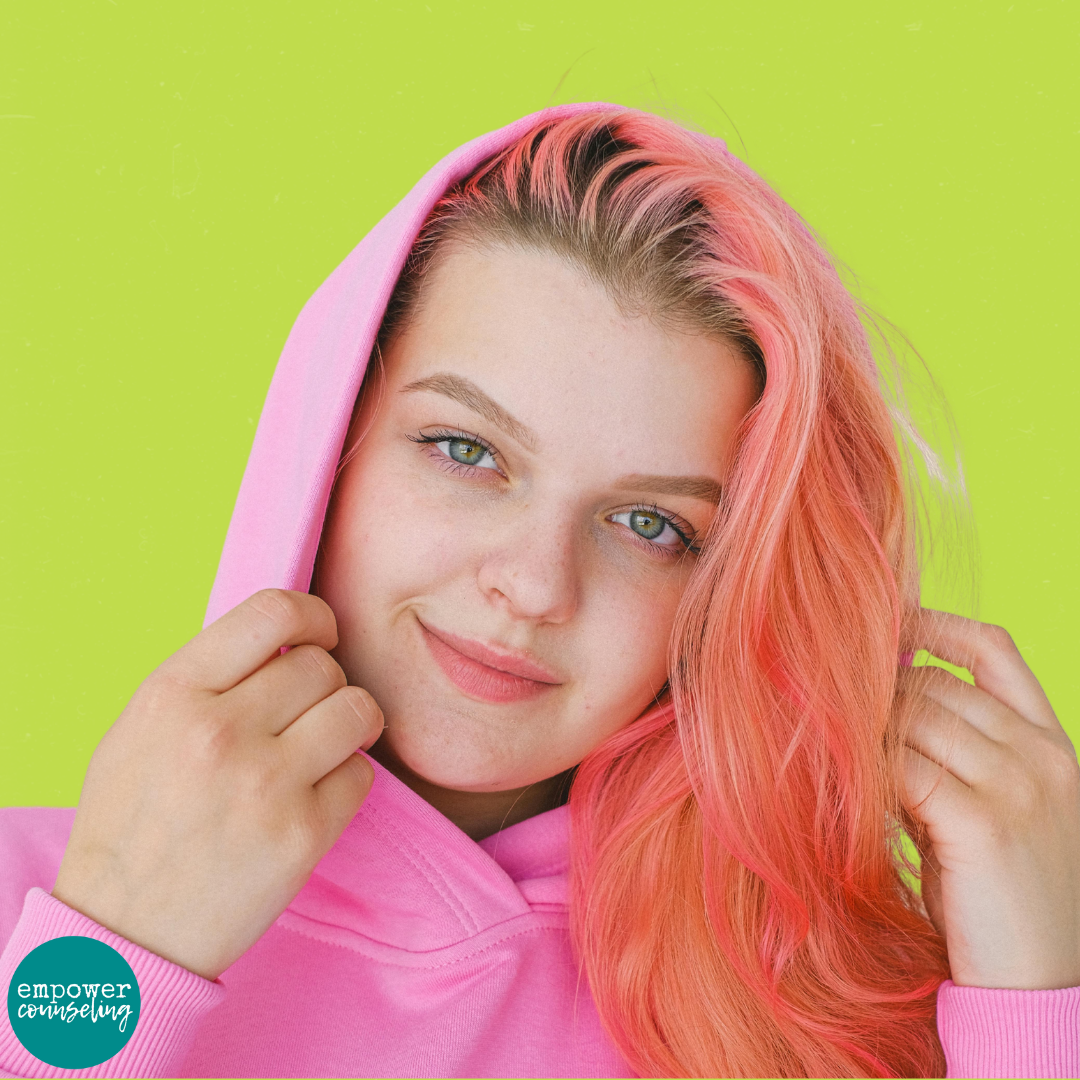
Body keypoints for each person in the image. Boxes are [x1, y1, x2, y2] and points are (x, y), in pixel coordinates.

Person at [1, 103, 1077, 1079]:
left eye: (650, 525)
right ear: (331, 440)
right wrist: (112, 958)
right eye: (464, 450)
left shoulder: (828, 1004)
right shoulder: (40, 910)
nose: (531, 586)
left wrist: (1038, 1004)